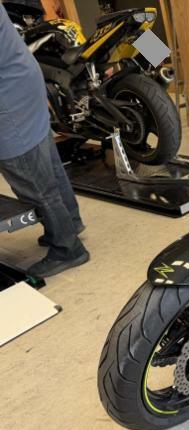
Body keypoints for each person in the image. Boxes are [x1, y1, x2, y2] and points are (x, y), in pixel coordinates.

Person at [0, 3, 89, 277]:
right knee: (48, 166)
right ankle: (69, 223)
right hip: (22, 81)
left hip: (8, 99)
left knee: (33, 183)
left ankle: (67, 248)